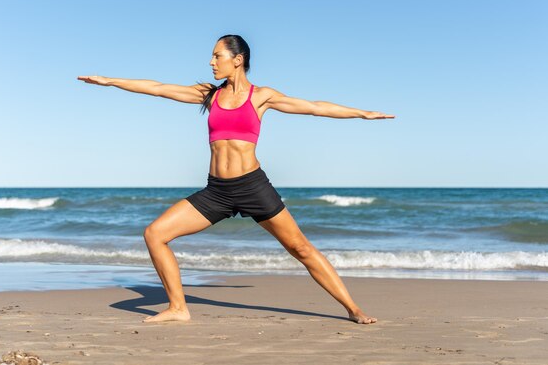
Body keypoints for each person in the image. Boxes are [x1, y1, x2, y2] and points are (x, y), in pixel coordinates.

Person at [77, 34, 394, 325]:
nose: (212, 62)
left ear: (237, 59)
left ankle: (354, 309)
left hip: (253, 186)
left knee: (302, 249)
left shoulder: (261, 97)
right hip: (216, 192)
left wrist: (363, 113)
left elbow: (314, 107)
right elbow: (158, 87)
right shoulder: (209, 95)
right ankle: (178, 307)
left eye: (217, 56)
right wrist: (110, 81)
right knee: (155, 234)